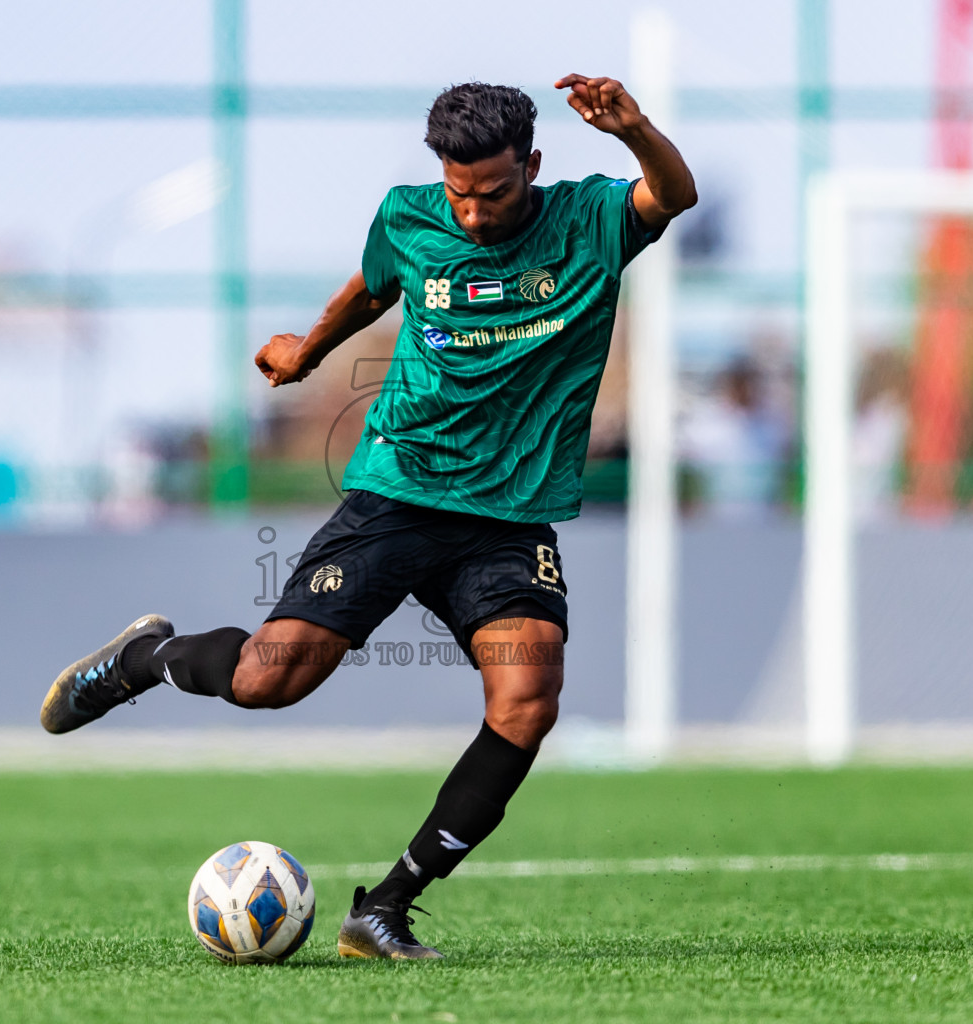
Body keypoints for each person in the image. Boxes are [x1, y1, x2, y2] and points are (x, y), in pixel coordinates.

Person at [38, 75, 696, 960]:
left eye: (494, 193)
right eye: (458, 192)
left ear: (532, 167)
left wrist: (637, 130)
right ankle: (143, 657)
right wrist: (307, 351)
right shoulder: (408, 217)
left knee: (527, 702)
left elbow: (674, 194)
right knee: (270, 681)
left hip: (507, 522)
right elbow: (371, 286)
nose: (471, 214)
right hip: (399, 493)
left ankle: (384, 907)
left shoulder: (589, 222)